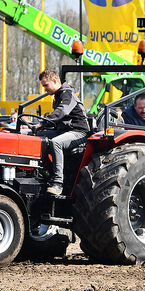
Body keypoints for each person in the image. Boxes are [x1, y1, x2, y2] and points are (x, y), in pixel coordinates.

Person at [37, 68, 90, 196]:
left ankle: (57, 183)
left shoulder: (67, 94)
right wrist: (40, 128)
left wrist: (44, 121)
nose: (45, 89)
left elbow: (62, 111)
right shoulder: (58, 96)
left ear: (55, 81)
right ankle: (41, 173)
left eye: (46, 85)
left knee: (56, 143)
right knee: (36, 137)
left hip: (79, 132)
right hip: (64, 131)